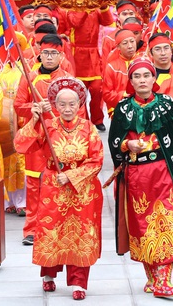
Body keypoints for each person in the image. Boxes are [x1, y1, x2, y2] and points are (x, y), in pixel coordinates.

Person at [108, 57, 173, 297]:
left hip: (164, 173)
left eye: (146, 76)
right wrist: (126, 144)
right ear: (130, 81)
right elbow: (114, 143)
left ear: (154, 79)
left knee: (166, 224)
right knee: (142, 227)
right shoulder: (123, 109)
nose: (142, 80)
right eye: (137, 76)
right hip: (136, 176)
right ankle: (153, 278)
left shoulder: (167, 103)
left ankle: (164, 281)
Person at [14, 78, 103, 301]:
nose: (67, 109)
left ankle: (79, 282)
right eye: (62, 104)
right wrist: (35, 120)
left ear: (80, 104)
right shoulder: (48, 126)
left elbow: (97, 160)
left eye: (72, 104)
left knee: (80, 234)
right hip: (53, 187)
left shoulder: (88, 128)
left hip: (82, 189)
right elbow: (21, 145)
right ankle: (48, 275)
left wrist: (72, 175)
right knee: (51, 231)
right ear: (54, 105)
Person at [14, 34, 87, 246]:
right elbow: (19, 105)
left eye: (53, 53)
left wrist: (56, 110)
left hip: (60, 137)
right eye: (45, 52)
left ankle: (60, 225)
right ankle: (31, 229)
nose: (49, 57)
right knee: (35, 184)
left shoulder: (67, 80)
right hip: (37, 137)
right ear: (39, 53)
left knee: (60, 182)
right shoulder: (28, 77)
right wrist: (34, 108)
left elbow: (78, 109)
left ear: (61, 55)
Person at [101, 29, 137, 117]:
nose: (130, 46)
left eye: (132, 41)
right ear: (118, 47)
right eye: (125, 43)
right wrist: (124, 95)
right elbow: (106, 93)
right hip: (118, 109)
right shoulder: (111, 67)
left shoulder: (144, 61)